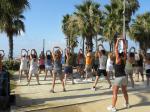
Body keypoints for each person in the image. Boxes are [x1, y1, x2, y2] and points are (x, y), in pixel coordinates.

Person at [107, 38, 129, 112]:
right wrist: (123, 41)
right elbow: (125, 49)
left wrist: (118, 40)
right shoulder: (124, 58)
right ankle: (127, 103)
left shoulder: (117, 59)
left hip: (118, 78)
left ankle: (113, 107)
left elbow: (116, 48)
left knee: (115, 93)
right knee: (124, 91)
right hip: (124, 77)